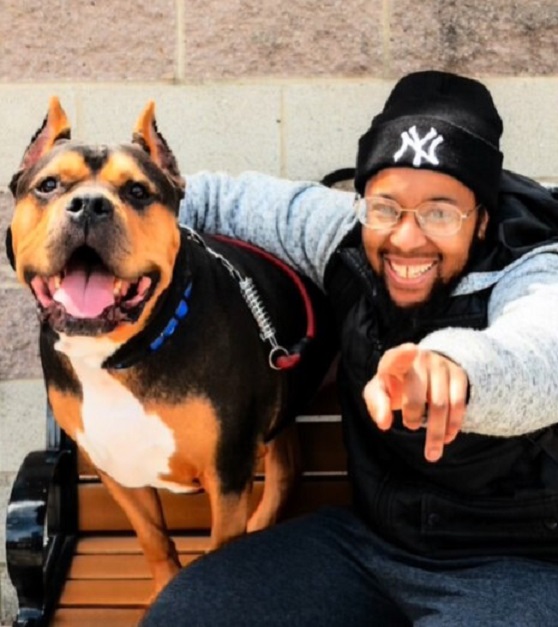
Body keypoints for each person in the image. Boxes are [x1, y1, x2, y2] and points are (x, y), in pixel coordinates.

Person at [141, 71, 558, 626]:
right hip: (371, 548)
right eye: (387, 207)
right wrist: (98, 223)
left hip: (516, 565)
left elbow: (538, 352)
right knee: (189, 616)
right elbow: (210, 198)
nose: (407, 238)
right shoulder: (348, 238)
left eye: (440, 212)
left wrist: (454, 366)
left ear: (481, 220)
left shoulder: (535, 267)